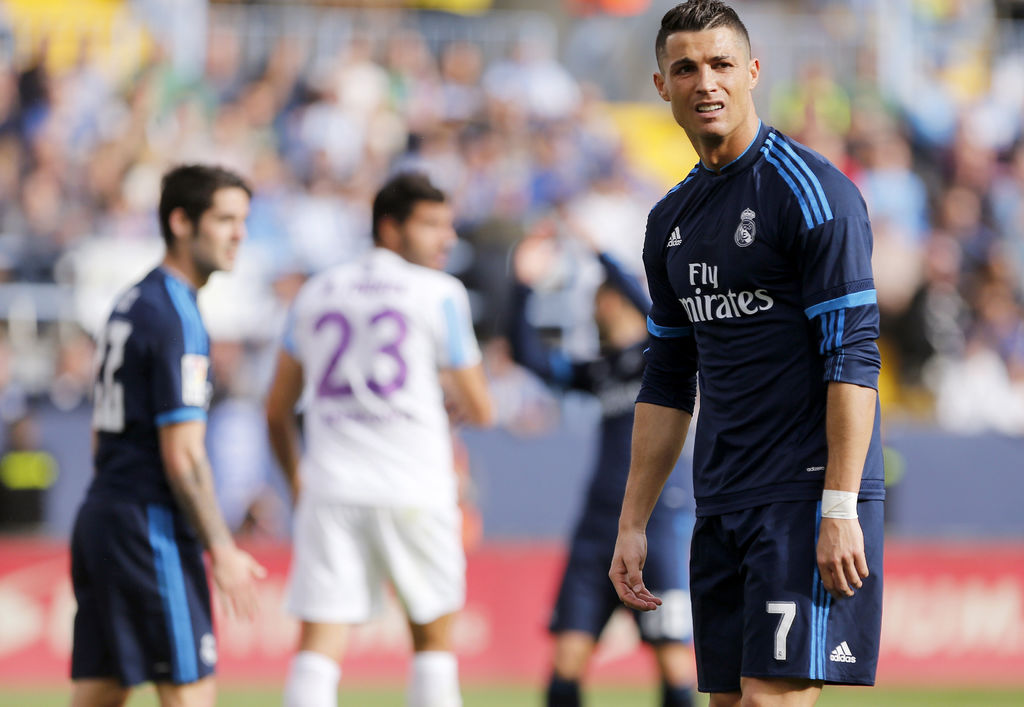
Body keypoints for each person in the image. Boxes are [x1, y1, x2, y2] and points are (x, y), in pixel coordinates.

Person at [608, 2, 885, 706]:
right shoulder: (669, 221)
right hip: (722, 496)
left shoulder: (812, 193)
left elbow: (852, 355)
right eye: (686, 68)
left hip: (803, 494)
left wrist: (840, 505)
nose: (706, 82)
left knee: (770, 698)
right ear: (661, 85)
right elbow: (668, 377)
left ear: (753, 72)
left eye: (722, 64)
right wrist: (633, 521)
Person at [265, 171, 494, 707]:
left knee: (319, 644)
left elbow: (275, 410)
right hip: (414, 486)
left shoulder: (315, 291)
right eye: (432, 224)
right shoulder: (439, 292)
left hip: (331, 487)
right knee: (433, 641)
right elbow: (483, 408)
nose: (447, 238)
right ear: (390, 228)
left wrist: (297, 479)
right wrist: (440, 397)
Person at [70, 164, 266, 707]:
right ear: (181, 222)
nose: (239, 235)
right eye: (224, 220)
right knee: (189, 692)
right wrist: (221, 548)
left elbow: (100, 435)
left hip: (104, 516)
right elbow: (184, 455)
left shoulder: (131, 301)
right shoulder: (177, 316)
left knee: (100, 691)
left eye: (243, 221)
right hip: (149, 527)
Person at [508, 227, 696, 707]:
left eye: (598, 299)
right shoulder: (599, 370)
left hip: (659, 522)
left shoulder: (660, 353)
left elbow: (654, 311)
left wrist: (600, 253)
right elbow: (530, 357)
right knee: (566, 661)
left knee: (672, 660)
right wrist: (522, 286)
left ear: (611, 301)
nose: (592, 310)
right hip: (598, 526)